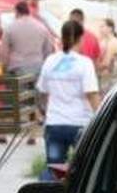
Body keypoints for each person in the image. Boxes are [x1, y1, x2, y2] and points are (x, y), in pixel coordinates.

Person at [36, 19, 100, 182]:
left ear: (62, 38)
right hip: (80, 124)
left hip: (55, 122)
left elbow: (41, 92)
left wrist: (41, 112)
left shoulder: (50, 61)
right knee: (84, 170)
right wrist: (100, 117)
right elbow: (91, 94)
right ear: (81, 38)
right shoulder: (84, 64)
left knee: (54, 170)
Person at [0, 0, 53, 144]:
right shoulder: (41, 28)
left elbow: (4, 52)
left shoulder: (10, 28)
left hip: (16, 70)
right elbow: (48, 51)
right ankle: (32, 135)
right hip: (37, 69)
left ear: (16, 12)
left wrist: (3, 68)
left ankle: (2, 133)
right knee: (33, 102)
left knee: (9, 101)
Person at [97, 17, 117, 93]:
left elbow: (106, 63)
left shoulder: (113, 42)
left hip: (110, 78)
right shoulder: (103, 41)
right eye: (100, 27)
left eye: (102, 26)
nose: (100, 29)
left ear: (110, 28)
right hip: (104, 77)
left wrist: (94, 68)